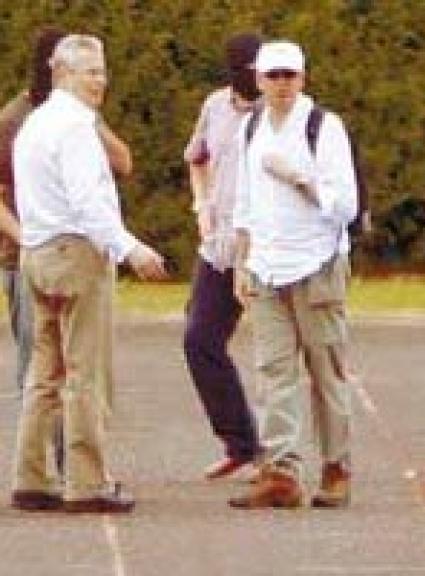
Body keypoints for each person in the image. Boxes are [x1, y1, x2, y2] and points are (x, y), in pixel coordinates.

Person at [10, 34, 166, 514]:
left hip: (37, 254)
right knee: (85, 372)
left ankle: (31, 477)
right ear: (61, 74)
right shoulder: (75, 128)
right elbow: (88, 203)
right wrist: (130, 248)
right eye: (89, 72)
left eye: (101, 70)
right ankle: (87, 481)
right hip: (75, 254)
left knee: (44, 373)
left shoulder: (35, 123)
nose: (99, 81)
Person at [228, 40, 358, 509]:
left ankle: (336, 467)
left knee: (326, 371)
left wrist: (299, 179)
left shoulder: (324, 127)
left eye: (290, 75)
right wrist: (242, 262)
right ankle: (281, 471)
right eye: (274, 76)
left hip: (315, 265)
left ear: (302, 78)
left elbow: (346, 205)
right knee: (273, 372)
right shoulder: (251, 128)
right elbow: (244, 203)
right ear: (259, 80)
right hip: (266, 267)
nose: (282, 84)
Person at [0, 26, 132, 394]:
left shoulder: (79, 114)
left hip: (56, 248)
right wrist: (24, 236)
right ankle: (64, 433)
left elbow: (123, 163)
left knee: (58, 369)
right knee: (48, 367)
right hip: (29, 251)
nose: (97, 79)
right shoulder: (14, 119)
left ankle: (52, 434)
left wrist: (92, 124)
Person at [182, 33, 263, 481]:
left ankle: (286, 457)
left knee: (279, 351)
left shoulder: (279, 112)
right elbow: (197, 158)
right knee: (200, 340)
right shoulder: (215, 106)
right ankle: (241, 443)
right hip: (220, 248)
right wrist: (201, 205)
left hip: (267, 248)